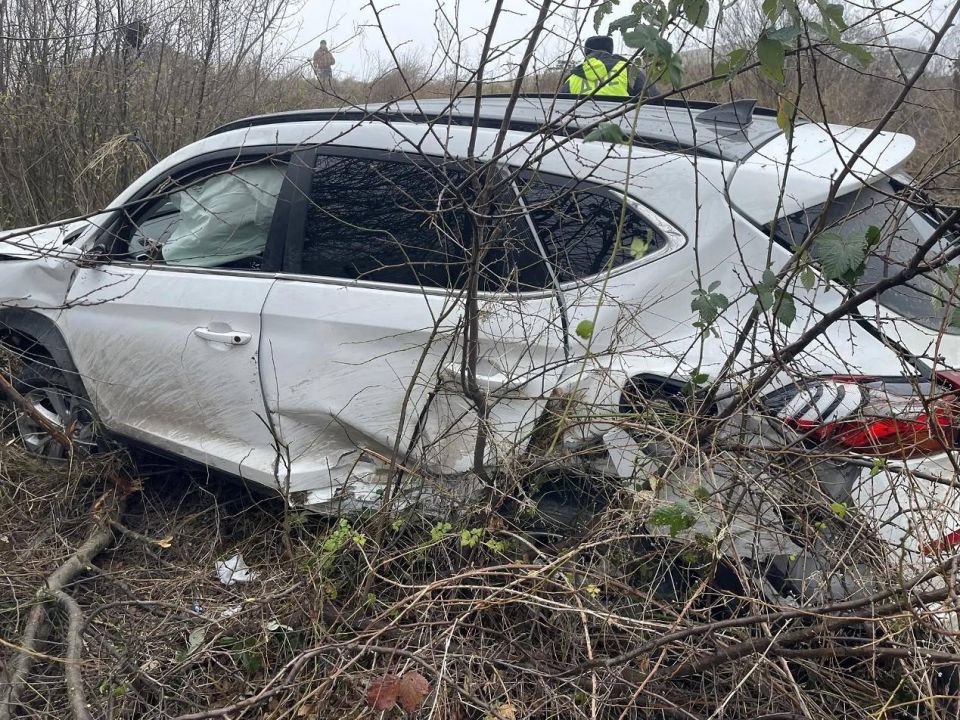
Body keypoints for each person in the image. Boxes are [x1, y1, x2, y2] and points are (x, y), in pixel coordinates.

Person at [565, 35, 656, 98]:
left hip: (581, 124)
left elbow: (558, 111)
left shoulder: (572, 78)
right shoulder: (627, 70)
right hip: (621, 124)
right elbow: (654, 100)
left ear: (586, 54)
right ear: (610, 51)